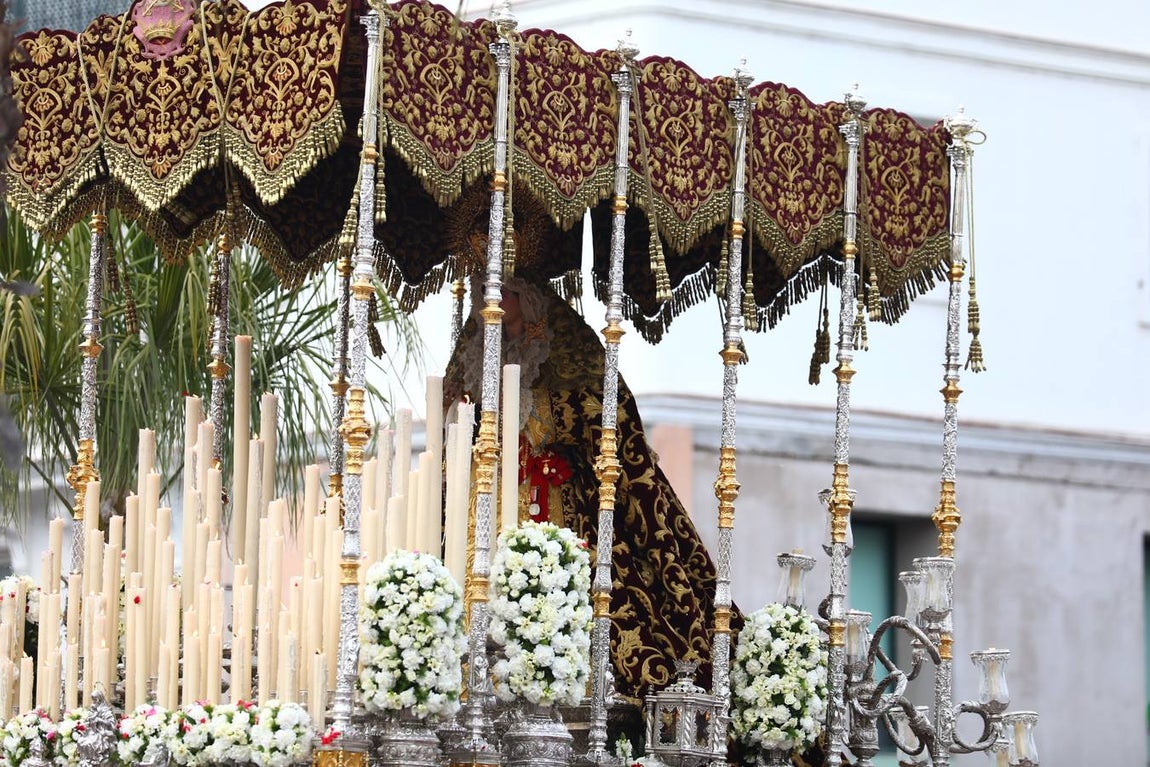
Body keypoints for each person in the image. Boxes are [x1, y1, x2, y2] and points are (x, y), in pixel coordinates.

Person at [445, 271, 729, 703]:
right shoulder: (476, 353)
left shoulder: (569, 349)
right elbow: (452, 416)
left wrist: (543, 414)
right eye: (486, 290)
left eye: (503, 289)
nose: (494, 299)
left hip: (553, 498)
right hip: (485, 495)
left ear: (527, 293)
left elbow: (606, 413)